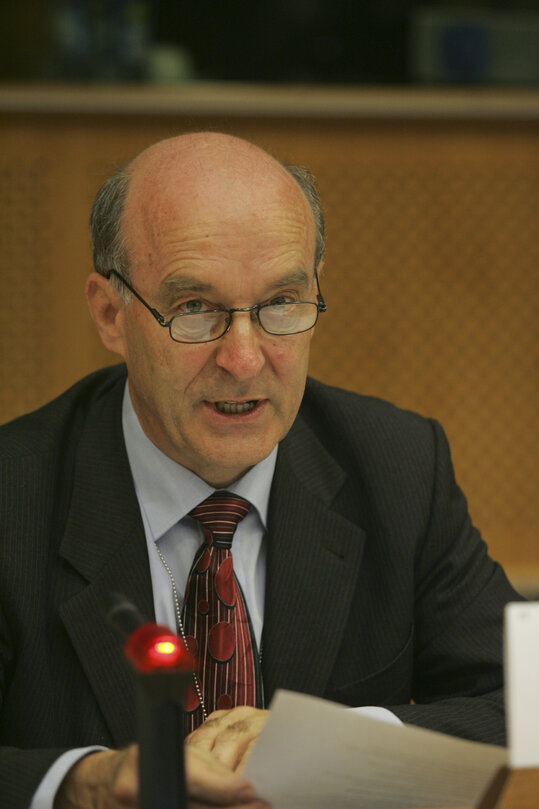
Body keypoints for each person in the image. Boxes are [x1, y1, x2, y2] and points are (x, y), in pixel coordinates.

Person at [0, 132, 522, 809]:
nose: (244, 359)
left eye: (280, 302)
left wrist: (335, 741)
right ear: (110, 314)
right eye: (194, 308)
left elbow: (524, 699)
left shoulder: (398, 464)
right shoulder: (15, 494)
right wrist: (81, 784)